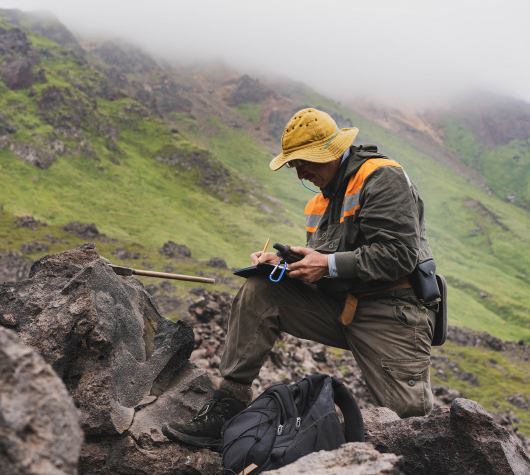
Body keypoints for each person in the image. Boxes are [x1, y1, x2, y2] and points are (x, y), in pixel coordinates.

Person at [162, 108, 437, 451]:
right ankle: (227, 406)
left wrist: (328, 265)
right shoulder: (316, 205)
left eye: (306, 161)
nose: (300, 172)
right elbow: (323, 265)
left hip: (393, 312)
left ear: (333, 150)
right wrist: (287, 264)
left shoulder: (381, 177)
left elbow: (399, 255)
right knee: (261, 289)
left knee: (411, 428)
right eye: (294, 165)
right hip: (341, 307)